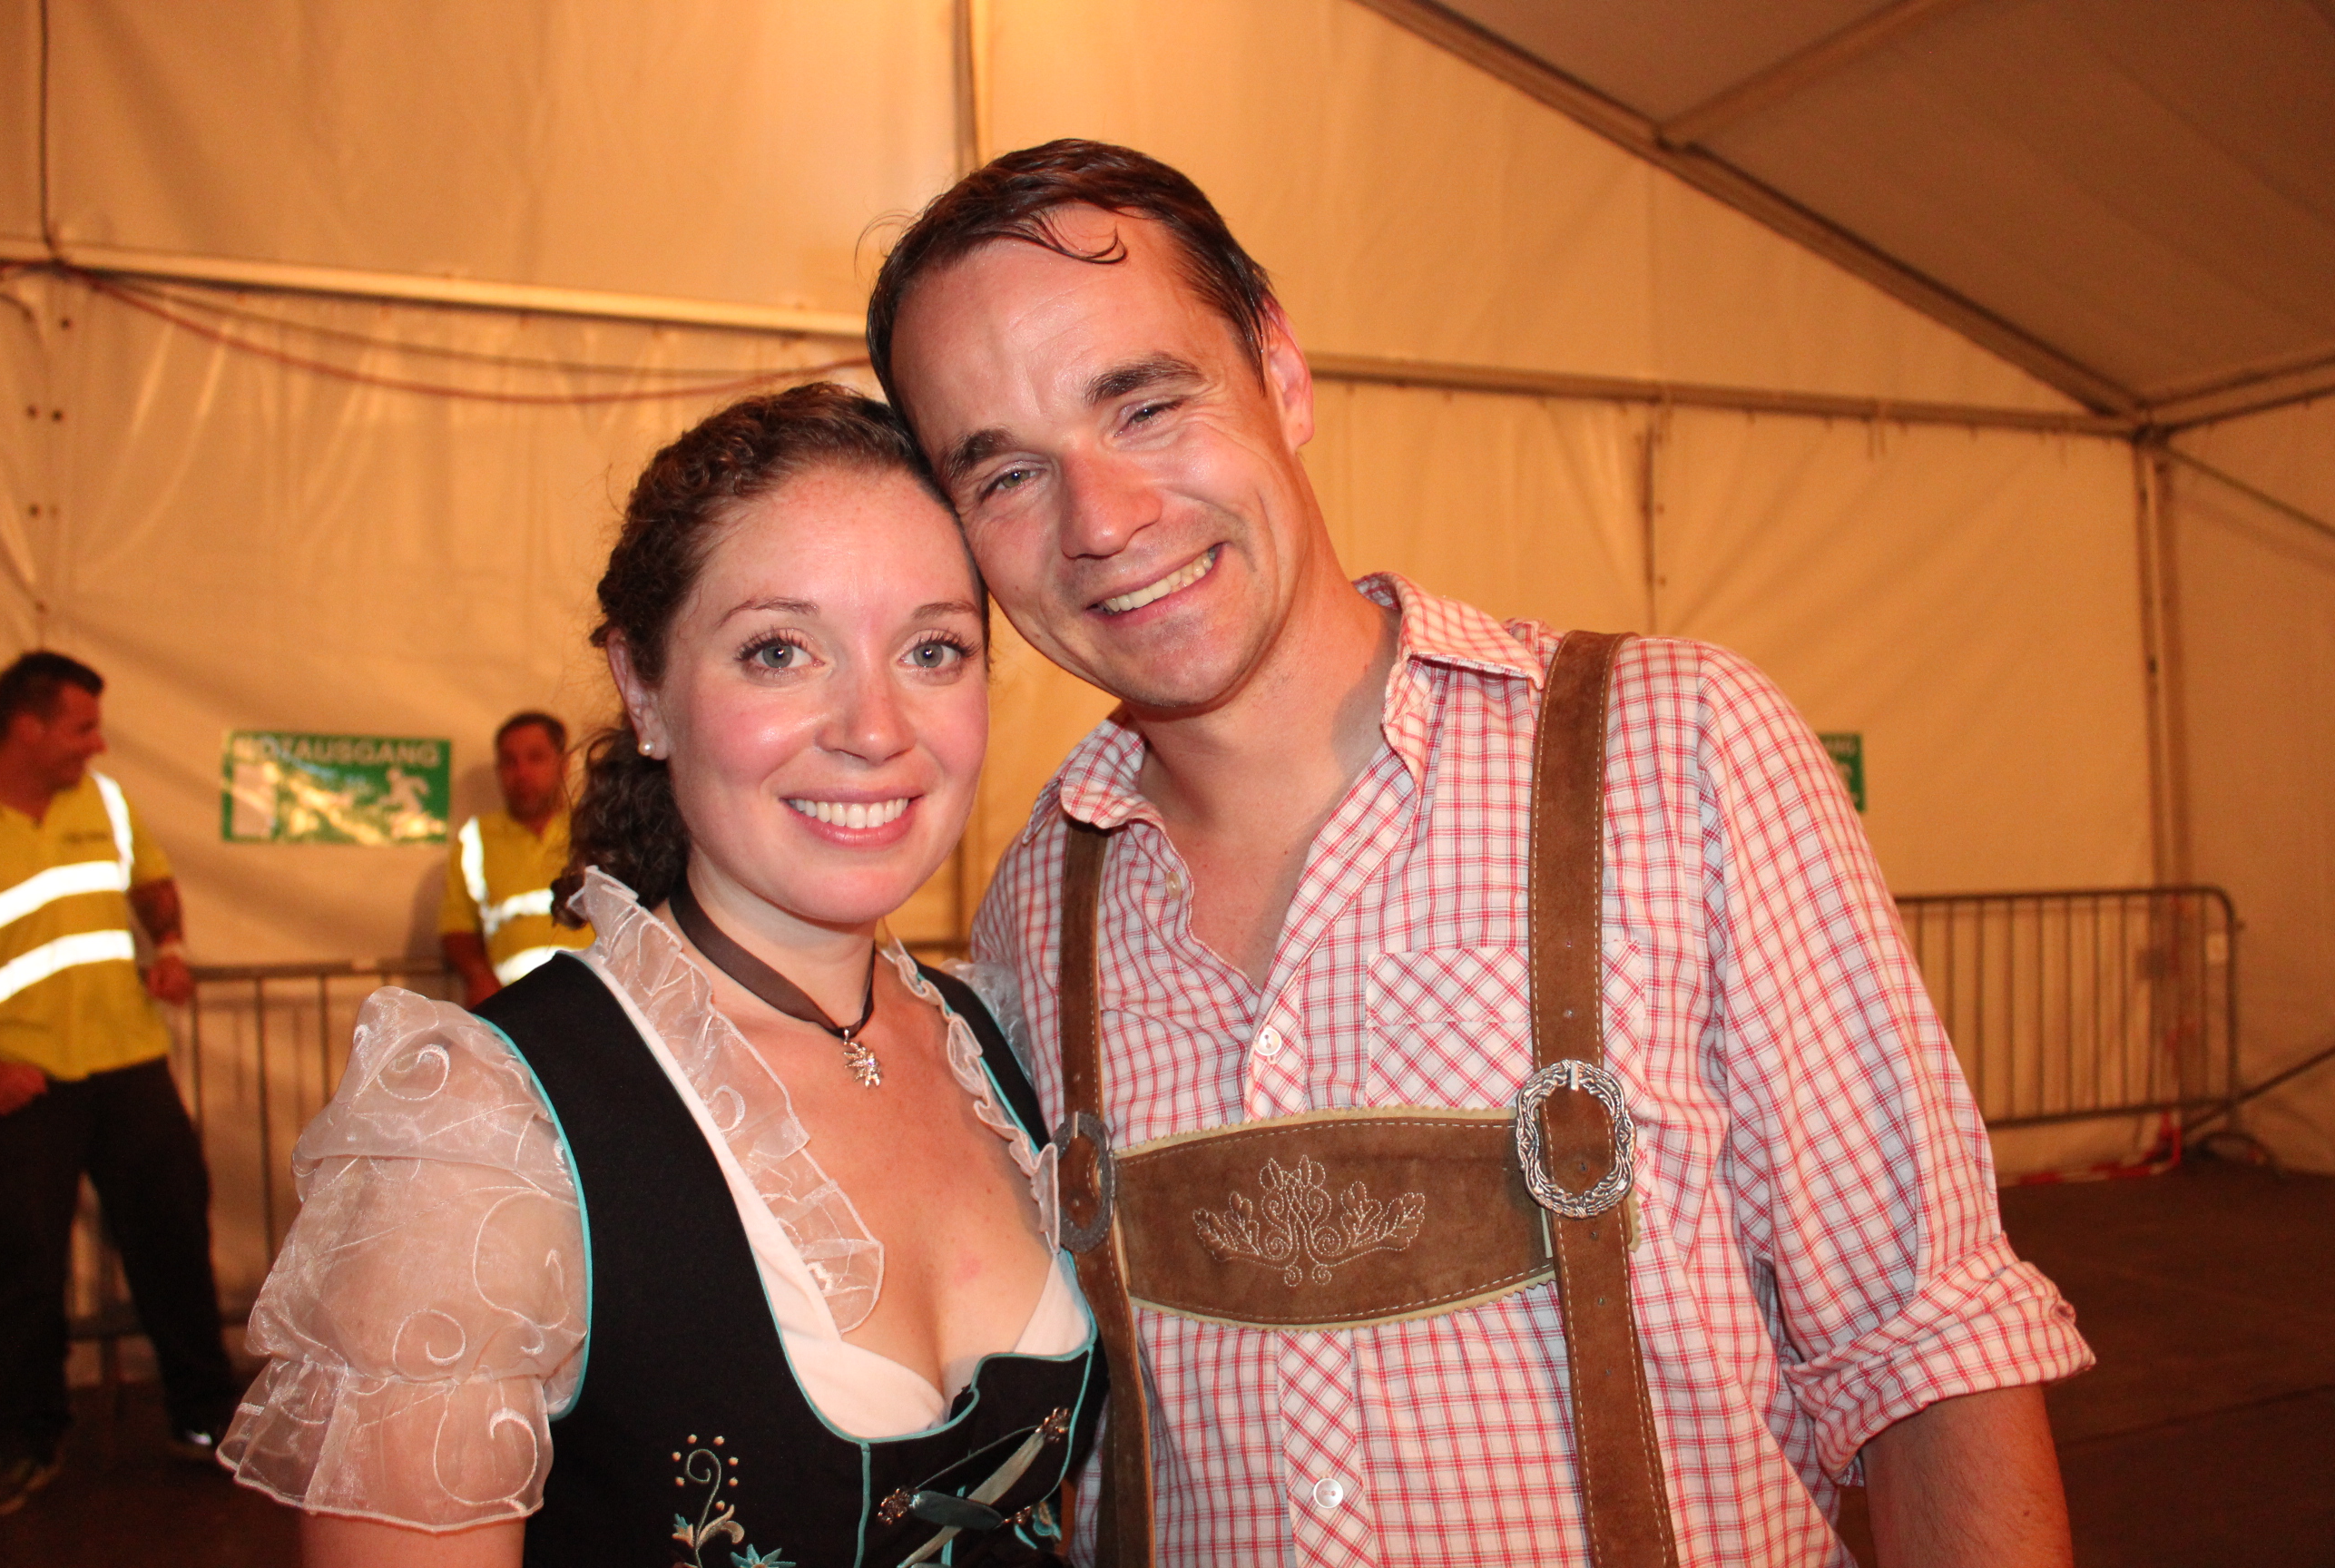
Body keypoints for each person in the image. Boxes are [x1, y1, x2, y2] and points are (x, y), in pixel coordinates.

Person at [866, 140, 2095, 1566]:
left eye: (1145, 404)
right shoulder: (1042, 897)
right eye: (1007, 474)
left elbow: (1927, 1351)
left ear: (1282, 372)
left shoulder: (1676, 749)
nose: (1103, 521)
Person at [220, 385, 1101, 1566]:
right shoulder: (484, 1129)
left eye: (932, 650)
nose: (875, 727)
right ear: (644, 689)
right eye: (780, 651)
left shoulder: (1001, 1039)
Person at [0, 651, 238, 1515]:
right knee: (25, 1265)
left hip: (129, 1064)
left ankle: (203, 1416)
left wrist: (169, 946)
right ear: (27, 727)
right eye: (81, 726)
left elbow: (153, 885)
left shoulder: (108, 803)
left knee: (174, 1241)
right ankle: (25, 1437)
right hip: (21, 1080)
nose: (97, 743)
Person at [439, 710, 593, 1004]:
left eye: (535, 758)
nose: (522, 773)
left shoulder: (595, 830)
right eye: (509, 761)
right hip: (512, 1009)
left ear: (564, 764)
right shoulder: (476, 838)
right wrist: (479, 977)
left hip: (593, 1004)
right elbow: (456, 928)